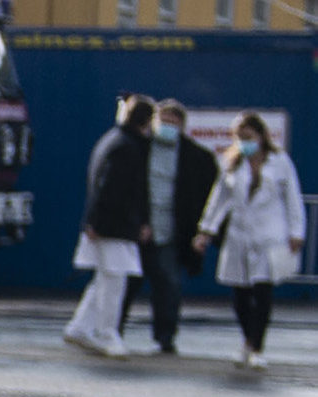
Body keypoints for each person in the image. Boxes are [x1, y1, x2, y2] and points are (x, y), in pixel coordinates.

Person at [195, 111, 304, 369]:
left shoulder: (280, 161)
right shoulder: (231, 163)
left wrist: (296, 231)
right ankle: (246, 340)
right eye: (240, 138)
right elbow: (219, 199)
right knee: (241, 295)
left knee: (262, 292)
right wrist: (206, 230)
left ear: (262, 136)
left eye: (249, 137)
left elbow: (292, 198)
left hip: (270, 236)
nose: (244, 142)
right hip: (239, 235)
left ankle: (257, 348)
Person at [114, 99, 219, 355]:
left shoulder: (196, 157)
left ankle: (165, 337)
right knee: (126, 284)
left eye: (174, 122)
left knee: (169, 286)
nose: (168, 126)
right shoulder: (139, 148)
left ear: (182, 126)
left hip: (170, 233)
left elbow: (206, 196)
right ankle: (112, 332)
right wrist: (137, 221)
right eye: (164, 121)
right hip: (139, 230)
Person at [65, 97, 154, 360]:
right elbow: (111, 188)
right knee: (114, 281)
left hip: (107, 222)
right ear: (147, 121)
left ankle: (80, 326)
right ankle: (107, 334)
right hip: (115, 225)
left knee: (104, 279)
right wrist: (99, 222)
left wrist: (92, 221)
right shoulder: (127, 148)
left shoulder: (112, 140)